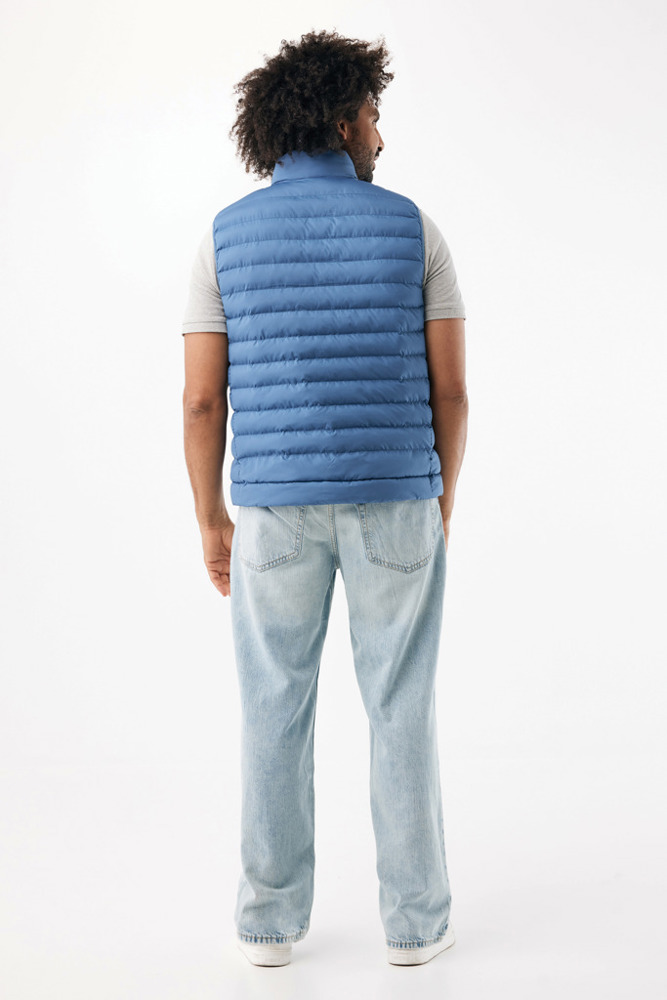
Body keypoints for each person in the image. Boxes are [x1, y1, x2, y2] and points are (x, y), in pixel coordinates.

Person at [181, 29, 468, 968]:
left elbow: (201, 400)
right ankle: (415, 926)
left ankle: (268, 925)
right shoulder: (414, 228)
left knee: (272, 710)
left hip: (272, 510)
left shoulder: (222, 238)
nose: (380, 134)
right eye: (373, 114)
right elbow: (452, 392)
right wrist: (438, 499)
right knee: (401, 707)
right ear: (342, 121)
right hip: (395, 498)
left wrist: (211, 519)